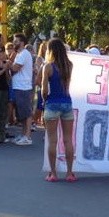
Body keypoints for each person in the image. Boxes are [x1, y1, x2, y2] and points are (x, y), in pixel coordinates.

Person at [41, 38, 77, 182]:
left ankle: (53, 173)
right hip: (67, 102)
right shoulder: (69, 65)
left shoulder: (48, 67)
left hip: (52, 103)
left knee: (52, 141)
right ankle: (69, 173)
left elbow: (44, 89)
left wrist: (45, 99)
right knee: (68, 140)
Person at [9, 33, 35, 146]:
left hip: (23, 87)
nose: (14, 43)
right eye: (14, 41)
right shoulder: (19, 54)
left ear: (22, 43)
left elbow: (15, 68)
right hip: (19, 86)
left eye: (16, 41)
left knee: (26, 113)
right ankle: (23, 134)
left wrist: (8, 63)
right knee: (22, 114)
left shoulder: (24, 53)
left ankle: (28, 136)